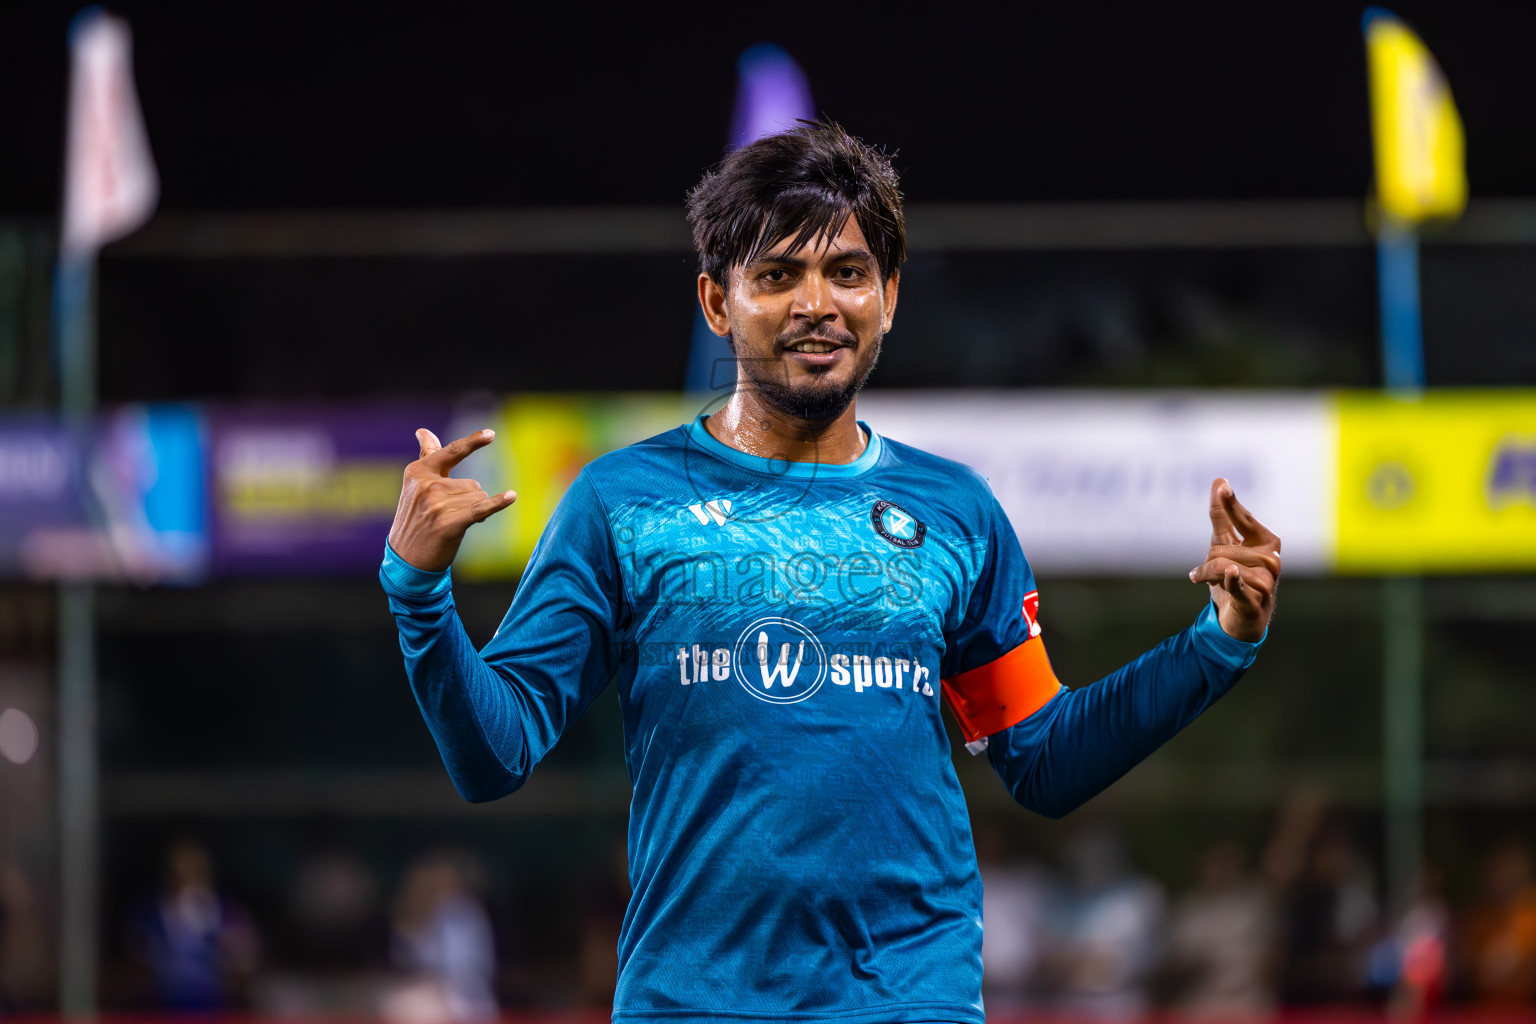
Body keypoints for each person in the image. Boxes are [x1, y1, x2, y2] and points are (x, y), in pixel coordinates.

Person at [380, 121, 1281, 1023]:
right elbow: (495, 755)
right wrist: (419, 592)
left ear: (888, 297)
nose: (818, 302)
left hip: (909, 1002)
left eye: (847, 273)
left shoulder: (955, 512)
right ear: (716, 301)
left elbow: (1044, 758)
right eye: (777, 275)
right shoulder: (622, 502)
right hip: (695, 1005)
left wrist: (1217, 644)